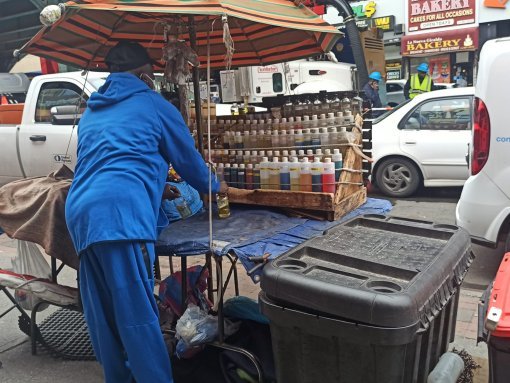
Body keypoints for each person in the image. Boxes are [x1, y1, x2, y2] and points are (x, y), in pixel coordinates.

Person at [65, 41, 227, 383]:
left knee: (103, 313)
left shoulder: (93, 110)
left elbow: (111, 160)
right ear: (144, 75)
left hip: (81, 214)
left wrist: (154, 187)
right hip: (119, 216)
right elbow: (190, 164)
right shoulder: (153, 103)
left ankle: (118, 378)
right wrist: (217, 187)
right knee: (137, 314)